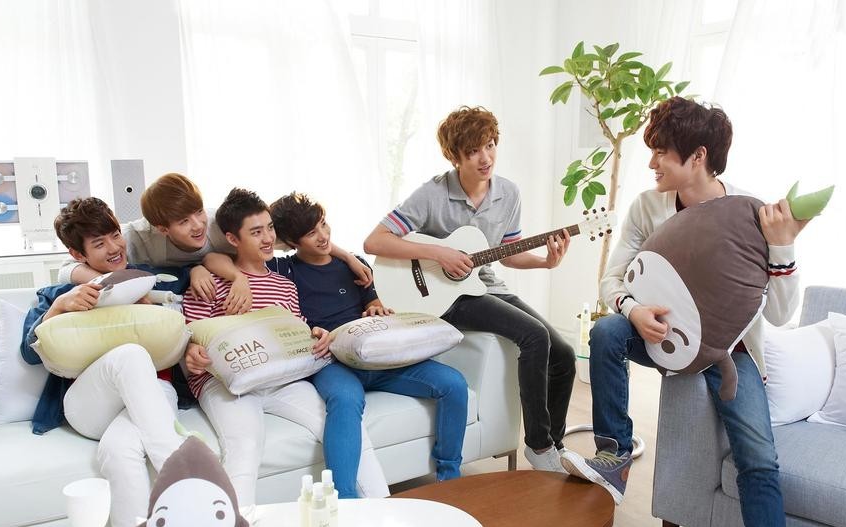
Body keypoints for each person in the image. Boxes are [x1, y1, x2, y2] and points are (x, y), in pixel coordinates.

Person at [561, 96, 803, 527]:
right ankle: (614, 455)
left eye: (661, 153)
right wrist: (633, 310)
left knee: (758, 457)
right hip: (659, 337)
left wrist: (783, 245)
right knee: (607, 331)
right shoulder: (647, 206)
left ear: (698, 157)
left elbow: (779, 313)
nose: (651, 163)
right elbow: (612, 280)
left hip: (729, 352)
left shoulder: (750, 213)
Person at [363, 106, 576, 472]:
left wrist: (545, 262)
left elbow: (509, 253)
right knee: (534, 335)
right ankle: (538, 446)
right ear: (455, 156)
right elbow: (375, 241)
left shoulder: (508, 193)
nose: (485, 158)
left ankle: (554, 445)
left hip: (487, 285)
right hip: (446, 296)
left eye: (490, 145)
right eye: (474, 150)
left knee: (565, 355)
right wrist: (439, 253)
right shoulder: (432, 193)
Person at [183, 188, 389, 506]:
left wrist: (316, 335)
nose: (267, 238)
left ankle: (380, 510)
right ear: (233, 239)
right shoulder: (209, 281)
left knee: (350, 429)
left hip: (283, 380)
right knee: (245, 445)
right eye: (256, 232)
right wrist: (190, 353)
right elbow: (190, 335)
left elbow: (297, 331)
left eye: (270, 228)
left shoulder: (284, 284)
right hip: (227, 386)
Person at [269, 191, 468, 481]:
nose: (323, 236)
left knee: (454, 384)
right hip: (332, 363)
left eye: (324, 224)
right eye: (311, 233)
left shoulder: (355, 265)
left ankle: (450, 477)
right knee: (346, 400)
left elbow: (372, 301)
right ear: (290, 241)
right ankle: (345, 497)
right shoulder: (284, 269)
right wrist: (341, 252)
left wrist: (375, 308)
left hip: (379, 358)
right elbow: (237, 250)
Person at [20, 197, 189, 527]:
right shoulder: (61, 294)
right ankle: (187, 481)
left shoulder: (150, 279)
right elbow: (29, 353)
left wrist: (193, 272)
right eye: (99, 243)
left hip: (156, 393)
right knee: (131, 355)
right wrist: (60, 307)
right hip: (90, 405)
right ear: (77, 254)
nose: (114, 247)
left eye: (115, 235)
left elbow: (196, 272)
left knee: (119, 451)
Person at [62, 172, 374, 315]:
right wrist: (110, 285)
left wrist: (347, 257)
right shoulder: (135, 237)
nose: (197, 225)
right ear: (162, 229)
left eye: (197, 212)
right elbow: (68, 267)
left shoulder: (218, 224)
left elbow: (297, 234)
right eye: (184, 222)